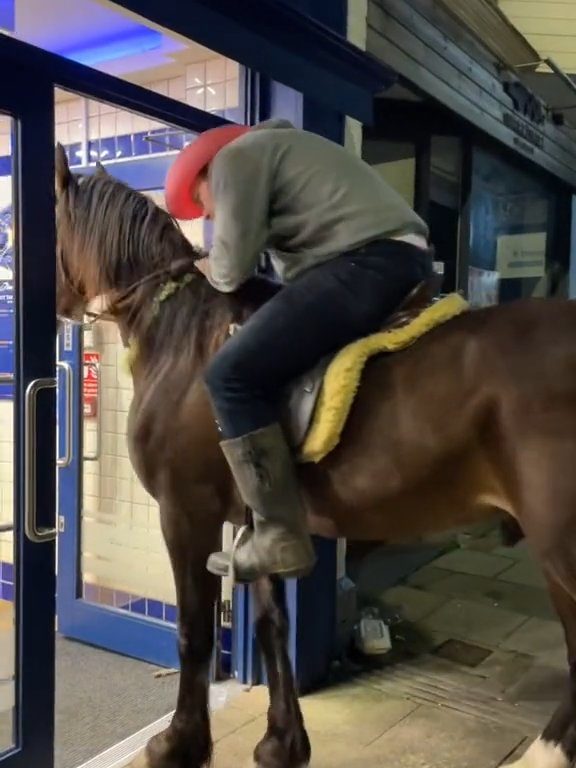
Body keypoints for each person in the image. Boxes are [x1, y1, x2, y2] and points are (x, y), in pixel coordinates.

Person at [164, 119, 432, 583]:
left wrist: (207, 265)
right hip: (395, 260)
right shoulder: (283, 150)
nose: (207, 215)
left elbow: (230, 270)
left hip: (365, 263)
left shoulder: (234, 159)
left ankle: (278, 535)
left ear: (204, 174)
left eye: (202, 205)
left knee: (229, 375)